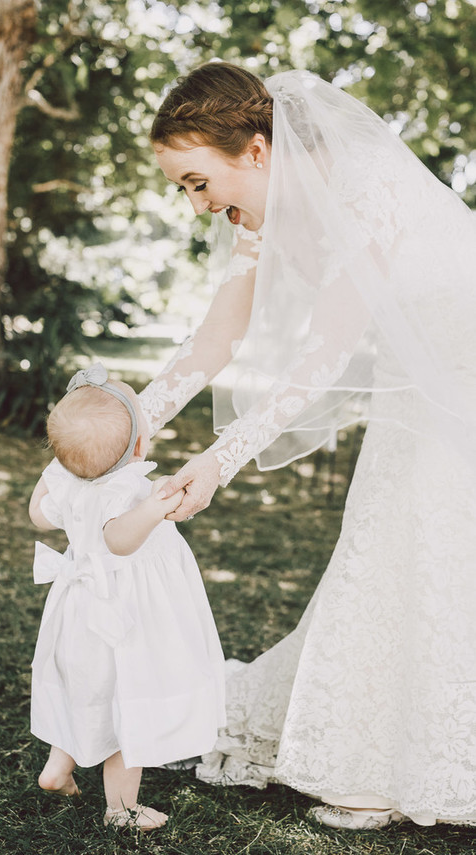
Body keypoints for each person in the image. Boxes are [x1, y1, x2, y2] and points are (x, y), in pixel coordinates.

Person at [136, 61, 476, 829]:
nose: (197, 206)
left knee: (431, 546)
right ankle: (370, 751)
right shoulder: (254, 219)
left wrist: (220, 460)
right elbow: (219, 335)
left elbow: (323, 352)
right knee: (389, 547)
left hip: (466, 368)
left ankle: (388, 762)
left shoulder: (357, 183)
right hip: (416, 387)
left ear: (255, 151)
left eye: (197, 181)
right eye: (183, 190)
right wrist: (129, 423)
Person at [28, 362, 226, 830]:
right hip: (124, 613)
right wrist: (155, 505)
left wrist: (55, 468)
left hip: (78, 611)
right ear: (139, 446)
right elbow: (119, 540)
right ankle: (121, 809)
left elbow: (39, 515)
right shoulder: (129, 487)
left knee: (86, 688)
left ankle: (59, 767)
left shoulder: (66, 478)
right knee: (126, 699)